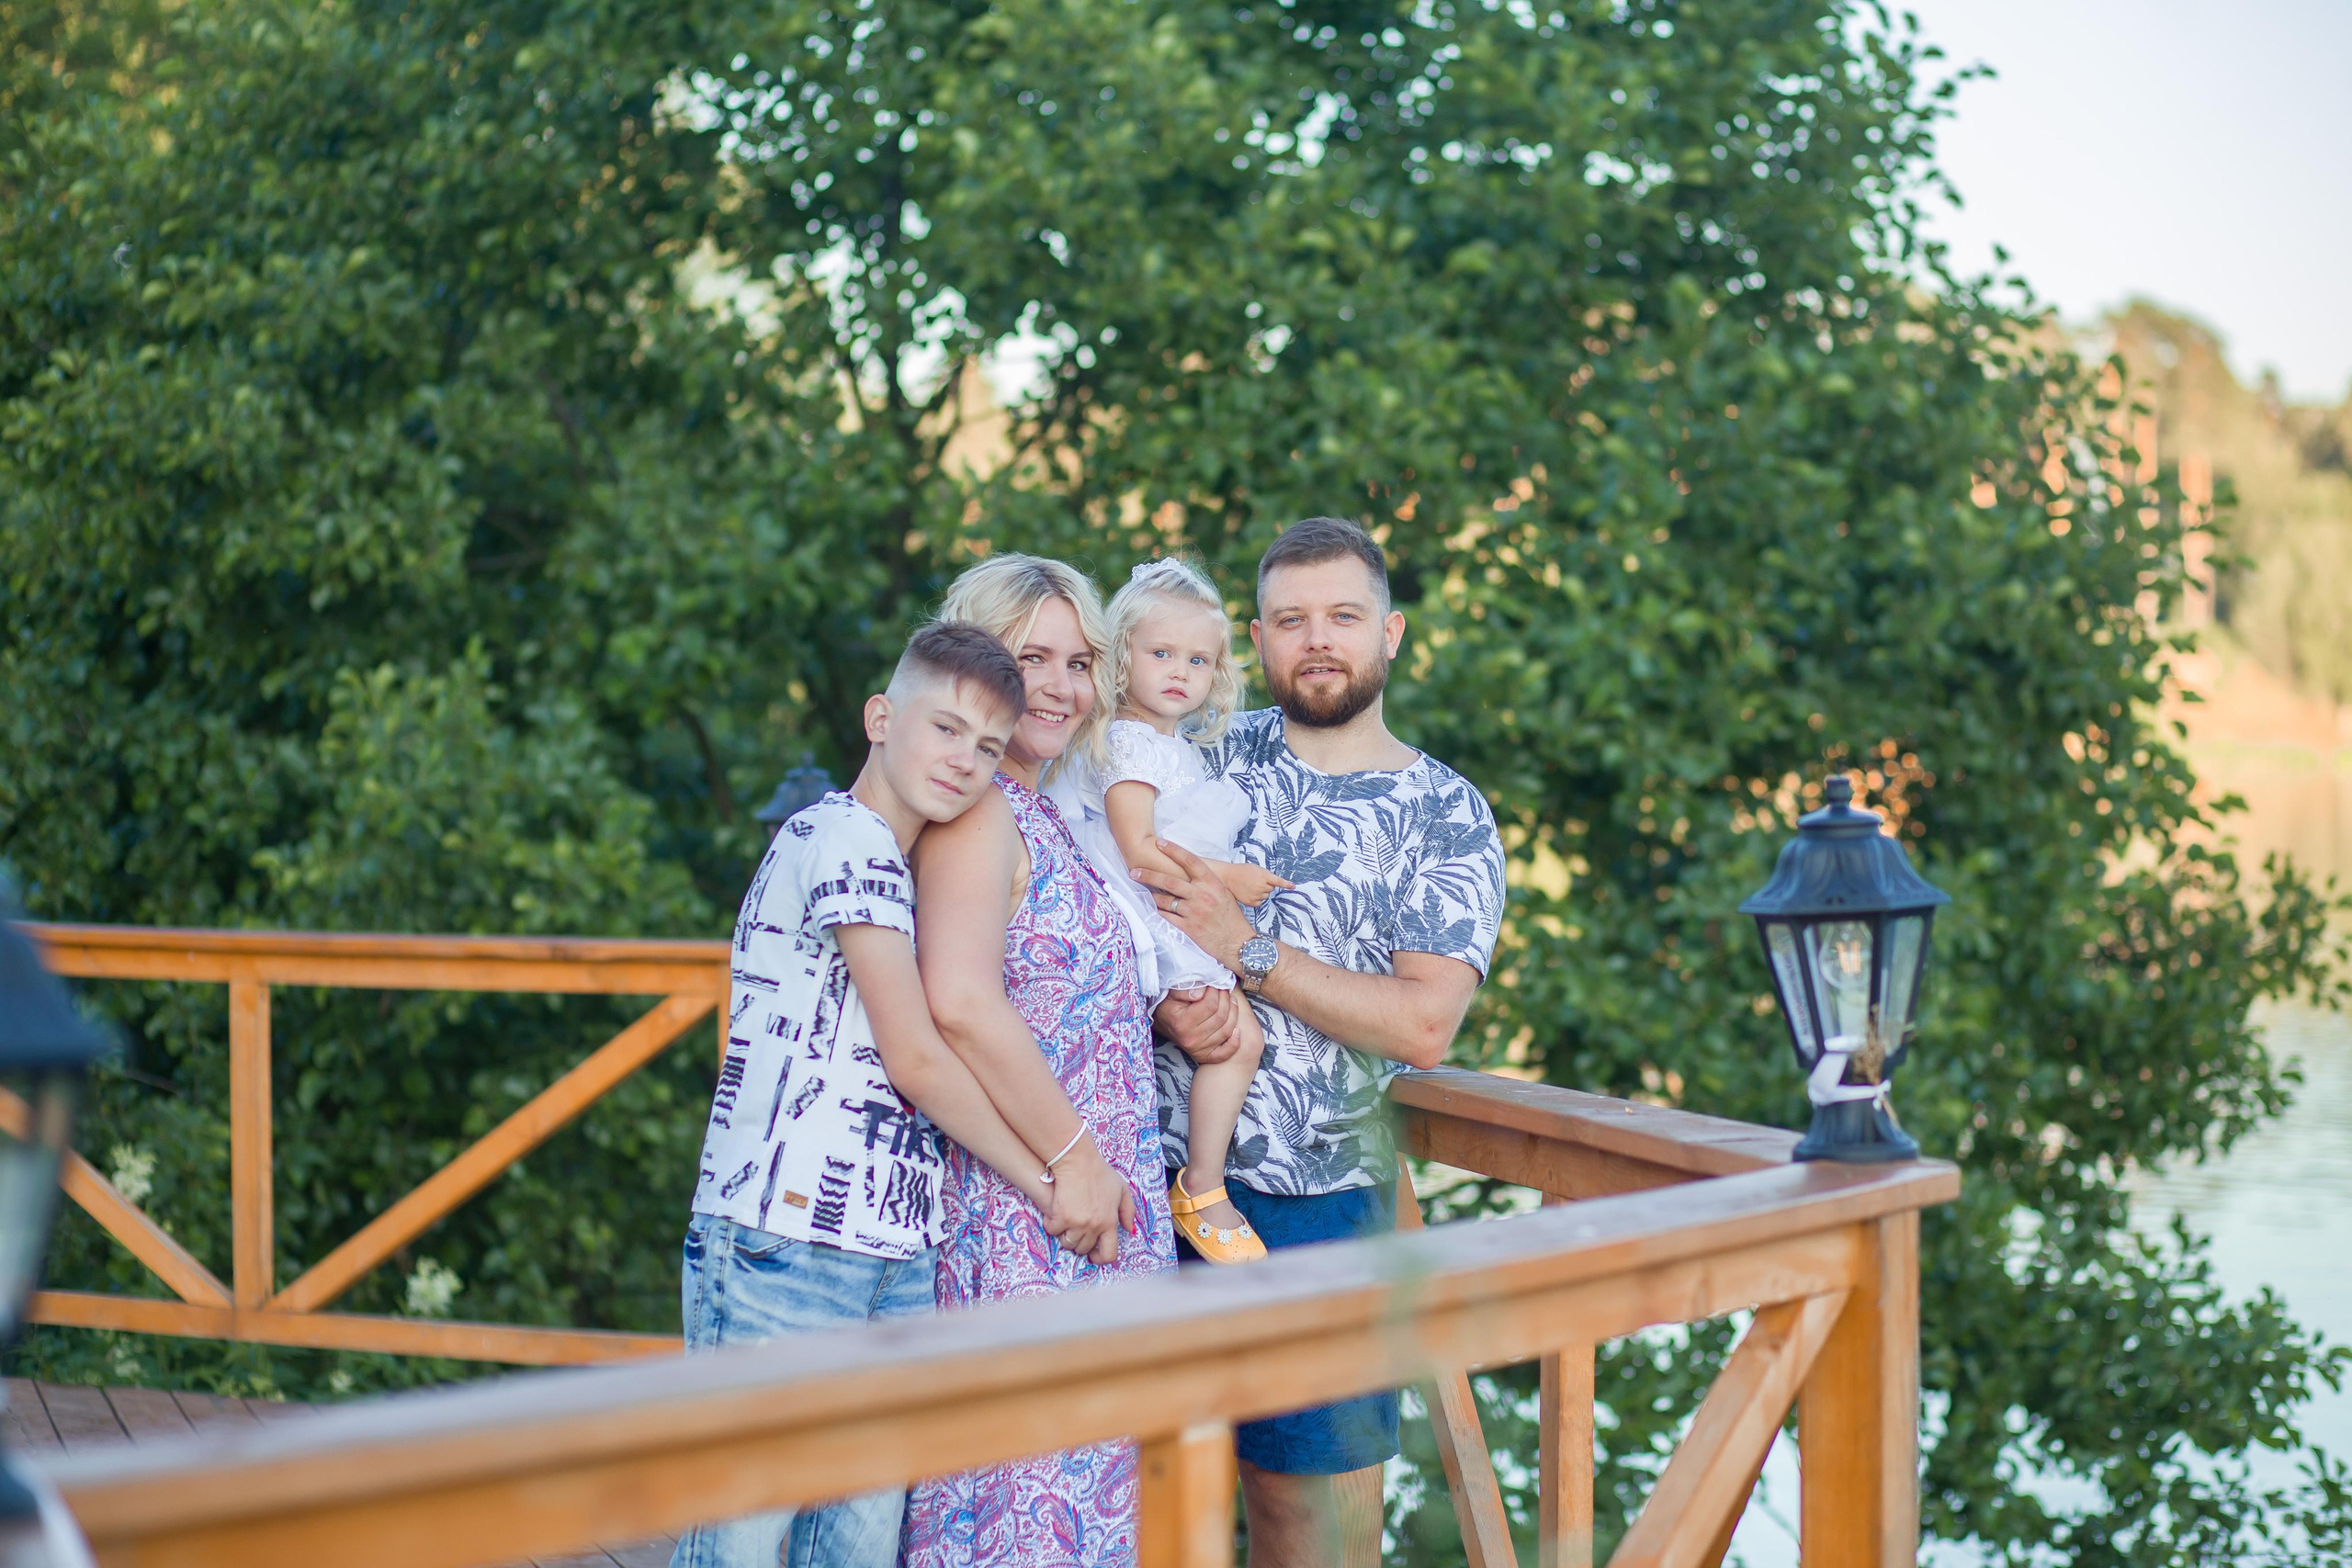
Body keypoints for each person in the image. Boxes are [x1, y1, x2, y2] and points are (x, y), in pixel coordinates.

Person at [671, 623, 1114, 1568]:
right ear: (881, 717)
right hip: (780, 1248)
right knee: (738, 1545)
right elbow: (917, 1057)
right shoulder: (841, 839)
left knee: (856, 1548)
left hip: (892, 1253)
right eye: (944, 729)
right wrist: (1052, 1182)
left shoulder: (904, 870)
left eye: (988, 748)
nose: (964, 761)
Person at [1139, 517, 1507, 1568]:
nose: (1317, 641)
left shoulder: (1446, 814)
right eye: (1292, 621)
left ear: (1389, 633)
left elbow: (1424, 1023)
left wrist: (1245, 951)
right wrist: (1168, 996)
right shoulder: (1193, 754)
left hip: (1325, 1204)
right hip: (1144, 1177)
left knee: (1315, 1531)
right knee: (1135, 1512)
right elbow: (1101, 894)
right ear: (1255, 639)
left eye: (1342, 617)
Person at [901, 555, 1180, 1568]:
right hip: (1026, 1216)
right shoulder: (978, 811)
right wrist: (1074, 1159)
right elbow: (962, 1004)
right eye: (1032, 660)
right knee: (1023, 1509)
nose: (1061, 686)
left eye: (1080, 661)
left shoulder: (1049, 806)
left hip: (1092, 1210)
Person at [1057, 558, 1292, 1264]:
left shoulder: (1163, 743)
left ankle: (1197, 1181)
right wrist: (1230, 880)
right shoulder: (1130, 744)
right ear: (1121, 655)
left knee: (1238, 1041)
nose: (1180, 672)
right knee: (1237, 1042)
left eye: (1198, 658)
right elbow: (1139, 850)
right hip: (1154, 908)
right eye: (1161, 653)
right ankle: (1202, 1184)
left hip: (1166, 902)